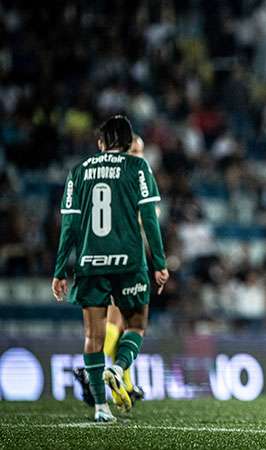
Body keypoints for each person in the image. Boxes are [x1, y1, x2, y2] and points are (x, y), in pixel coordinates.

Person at [52, 116, 168, 422]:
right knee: (135, 324)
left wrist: (60, 268)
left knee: (93, 334)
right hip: (128, 260)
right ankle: (118, 370)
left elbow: (69, 224)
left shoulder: (78, 171)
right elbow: (150, 221)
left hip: (90, 261)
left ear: (100, 143)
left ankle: (101, 406)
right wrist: (160, 262)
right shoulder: (136, 169)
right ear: (129, 144)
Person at [73, 134, 148, 408]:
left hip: (104, 256)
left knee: (119, 323)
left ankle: (124, 384)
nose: (140, 155)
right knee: (124, 322)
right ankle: (91, 371)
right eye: (136, 150)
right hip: (122, 259)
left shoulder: (108, 175)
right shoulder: (131, 176)